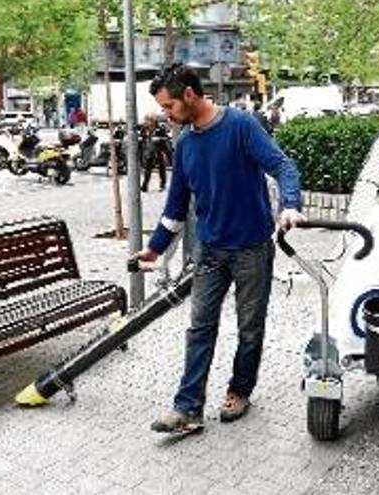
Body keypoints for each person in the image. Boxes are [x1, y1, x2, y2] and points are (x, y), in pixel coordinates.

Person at [135, 63, 306, 433]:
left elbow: (282, 165)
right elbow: (175, 206)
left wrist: (289, 205)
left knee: (249, 329)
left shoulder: (241, 126)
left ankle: (240, 390)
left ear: (190, 95)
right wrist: (154, 249)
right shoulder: (185, 144)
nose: (166, 115)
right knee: (199, 329)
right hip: (210, 252)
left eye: (169, 107)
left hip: (252, 250)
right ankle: (188, 408)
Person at [139, 114, 168, 192]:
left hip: (159, 151)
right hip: (149, 151)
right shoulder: (144, 129)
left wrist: (159, 139)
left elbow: (165, 138)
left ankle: (163, 184)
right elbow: (142, 138)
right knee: (147, 169)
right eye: (146, 120)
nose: (147, 122)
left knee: (161, 168)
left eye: (148, 120)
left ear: (153, 121)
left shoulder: (160, 129)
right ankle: (145, 185)